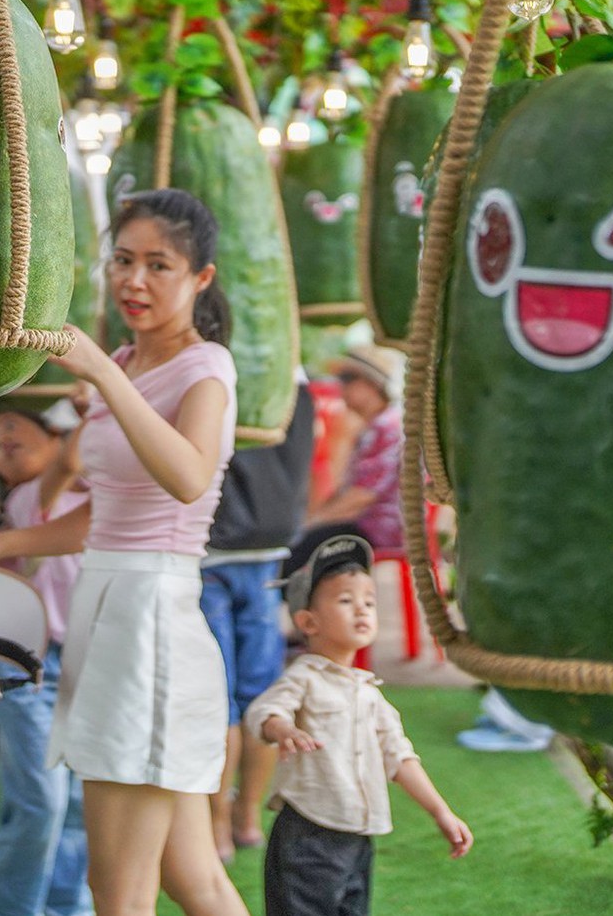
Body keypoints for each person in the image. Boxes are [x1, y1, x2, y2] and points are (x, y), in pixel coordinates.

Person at [0, 188, 249, 916]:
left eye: (158, 266)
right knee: (190, 881)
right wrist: (0, 545)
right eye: (123, 261)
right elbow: (105, 516)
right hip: (111, 614)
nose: (133, 280)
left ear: (201, 279)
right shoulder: (131, 366)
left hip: (150, 623)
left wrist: (102, 373)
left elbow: (189, 477)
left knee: (117, 890)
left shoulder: (205, 370)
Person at [246, 535, 473, 916]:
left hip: (358, 837)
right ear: (308, 622)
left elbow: (400, 758)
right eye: (345, 600)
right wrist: (283, 730)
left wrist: (441, 812)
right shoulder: (304, 676)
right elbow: (266, 712)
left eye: (369, 601)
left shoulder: (370, 694)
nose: (362, 610)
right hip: (309, 834)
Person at [0, 408, 95, 916]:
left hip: (85, 657)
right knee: (41, 799)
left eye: (13, 435)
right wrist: (98, 406)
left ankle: (69, 906)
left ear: (51, 433)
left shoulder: (93, 496)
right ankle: (6, 908)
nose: (3, 449)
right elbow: (68, 462)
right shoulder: (29, 498)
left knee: (78, 804)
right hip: (25, 663)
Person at [203, 378, 315, 861]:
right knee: (261, 697)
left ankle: (218, 826)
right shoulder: (289, 375)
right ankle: (247, 819)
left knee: (217, 699)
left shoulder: (207, 363)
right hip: (270, 544)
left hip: (208, 550)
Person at [292, 348, 404, 570]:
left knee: (297, 554)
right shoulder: (376, 426)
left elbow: (362, 496)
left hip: (378, 533)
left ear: (373, 384)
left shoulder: (386, 427)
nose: (340, 385)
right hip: (366, 528)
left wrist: (311, 524)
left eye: (348, 378)